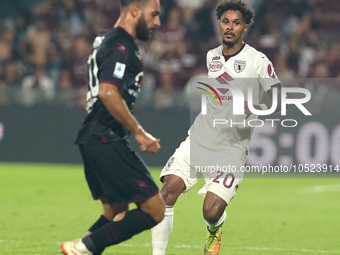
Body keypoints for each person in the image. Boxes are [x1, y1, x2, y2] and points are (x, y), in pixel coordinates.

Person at [151, 1, 282, 254]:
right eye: (225, 22)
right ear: (219, 24)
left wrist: (256, 107)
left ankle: (214, 230)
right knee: (167, 192)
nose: (230, 27)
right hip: (199, 139)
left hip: (231, 149)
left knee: (211, 211)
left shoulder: (258, 60)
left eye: (236, 23)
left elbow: (277, 95)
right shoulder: (211, 56)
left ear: (245, 27)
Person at [60, 0, 164, 255]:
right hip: (104, 137)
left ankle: (82, 248)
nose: (157, 22)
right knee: (155, 209)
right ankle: (84, 248)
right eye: (154, 15)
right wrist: (139, 132)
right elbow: (107, 92)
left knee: (115, 210)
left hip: (93, 136)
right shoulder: (120, 44)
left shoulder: (107, 40)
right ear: (135, 11)